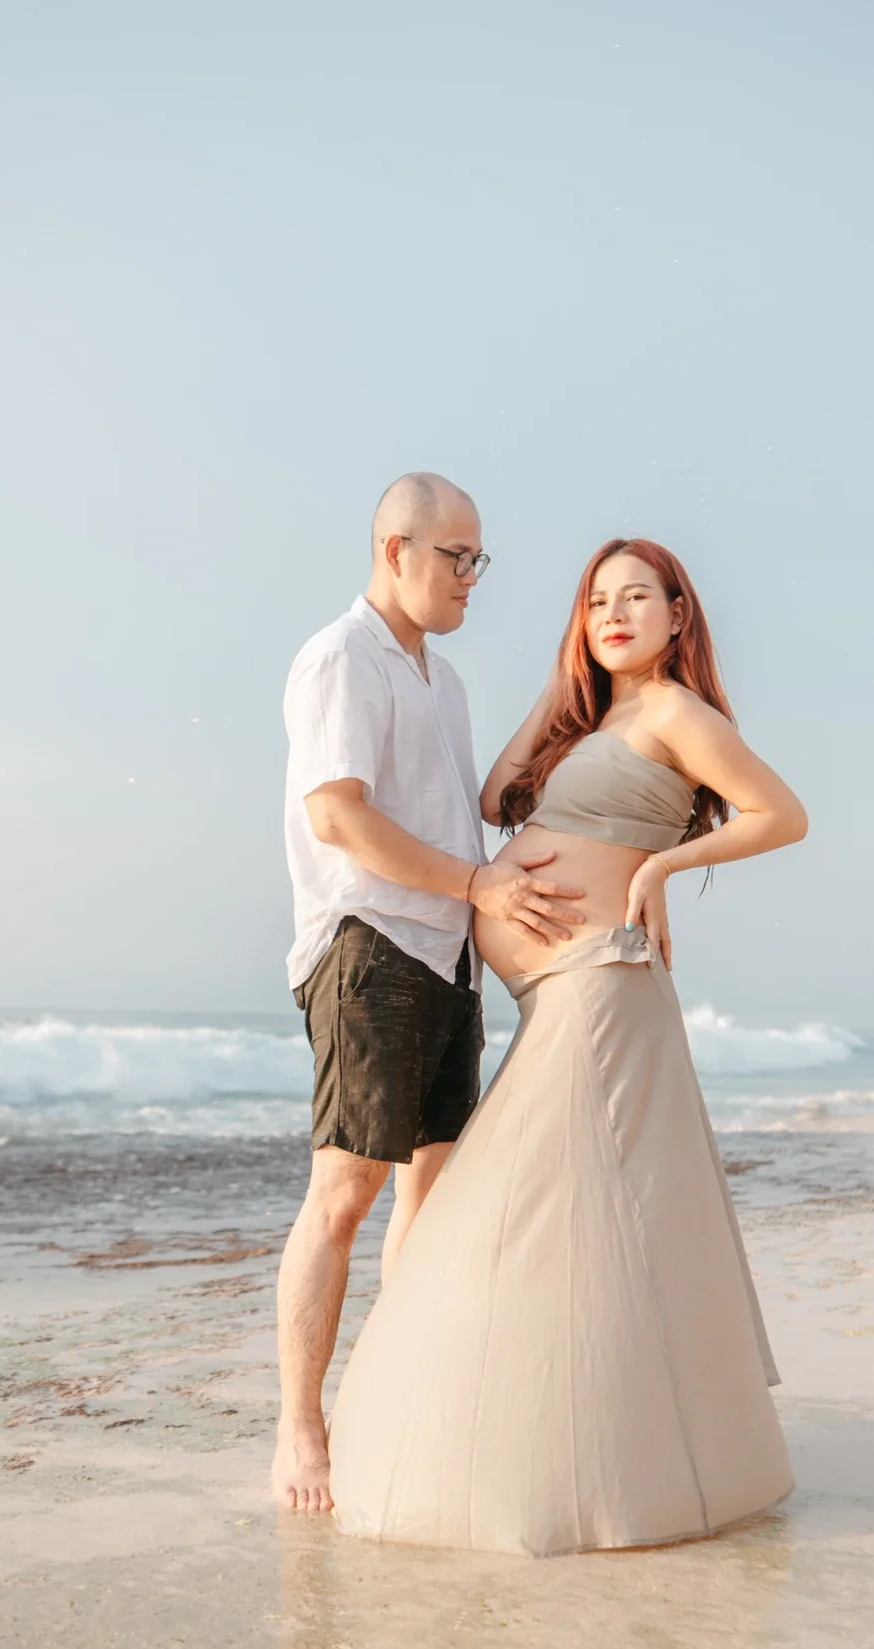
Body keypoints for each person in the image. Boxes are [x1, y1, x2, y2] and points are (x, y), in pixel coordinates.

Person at [329, 537, 809, 1555]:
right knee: (576, 1227)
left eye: (639, 597)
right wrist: (568, 689)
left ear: (681, 614)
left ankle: (536, 1463)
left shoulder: (679, 714)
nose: (617, 614)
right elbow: (500, 796)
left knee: (512, 1214)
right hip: (552, 994)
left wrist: (664, 869)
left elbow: (783, 815)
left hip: (601, 985)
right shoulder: (598, 717)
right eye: (597, 602)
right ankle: (582, 1446)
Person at [274, 472, 586, 1512]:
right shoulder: (340, 659)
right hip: (369, 947)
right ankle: (301, 1431)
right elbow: (339, 819)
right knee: (344, 1195)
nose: (470, 577)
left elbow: (478, 813)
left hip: (449, 958)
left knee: (430, 1195)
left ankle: (383, 1394)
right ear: (394, 549)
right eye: (457, 557)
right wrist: (473, 883)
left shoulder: (442, 682)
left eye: (477, 559)